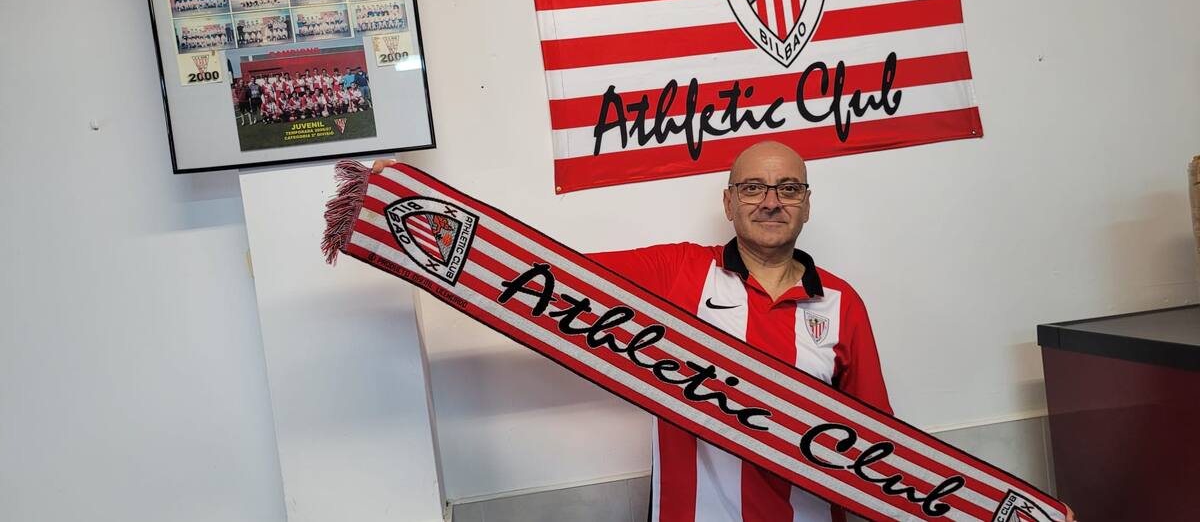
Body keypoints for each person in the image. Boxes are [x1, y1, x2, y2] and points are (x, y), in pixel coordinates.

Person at [368, 142, 1080, 522]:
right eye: (753, 188)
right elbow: (549, 278)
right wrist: (408, 222)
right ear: (728, 201)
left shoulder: (843, 304)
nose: (770, 200)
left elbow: (878, 442)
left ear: (806, 203)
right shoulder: (674, 274)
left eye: (788, 188)